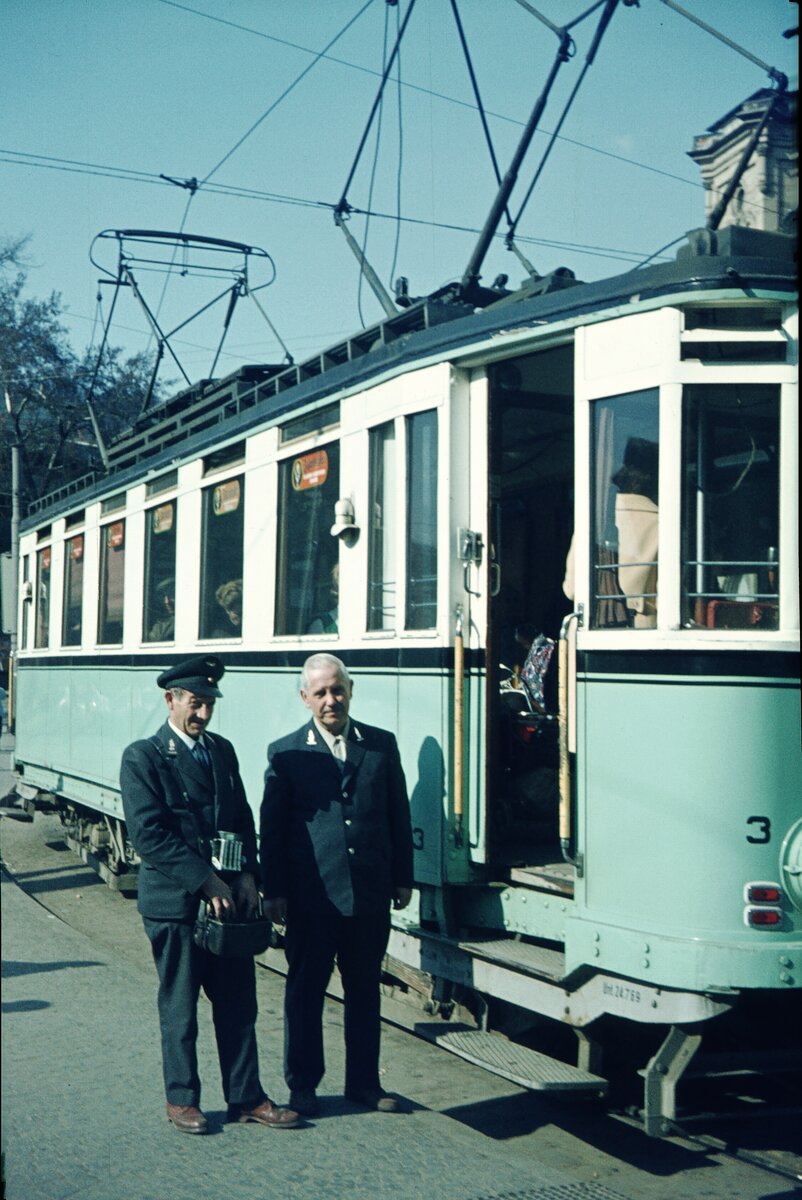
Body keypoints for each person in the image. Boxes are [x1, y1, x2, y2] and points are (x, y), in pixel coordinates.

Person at [120, 655, 299, 1135]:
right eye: (195, 704)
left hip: (227, 907)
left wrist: (248, 876)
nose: (202, 714)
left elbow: (241, 818)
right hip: (176, 907)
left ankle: (246, 1097)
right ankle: (182, 1100)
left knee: (239, 1005)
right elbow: (149, 835)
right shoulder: (143, 757)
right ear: (171, 700)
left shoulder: (221, 751)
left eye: (209, 704)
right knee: (180, 1007)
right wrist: (206, 879)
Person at [260, 653, 414, 1116]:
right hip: (313, 898)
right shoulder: (286, 753)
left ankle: (364, 1084)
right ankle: (303, 1085)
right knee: (306, 992)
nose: (331, 700)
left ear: (351, 690)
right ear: (305, 698)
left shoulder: (380, 746)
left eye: (338, 690)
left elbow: (398, 815)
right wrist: (275, 890)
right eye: (321, 693)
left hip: (368, 895)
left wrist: (402, 877)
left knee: (364, 991)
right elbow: (273, 829)